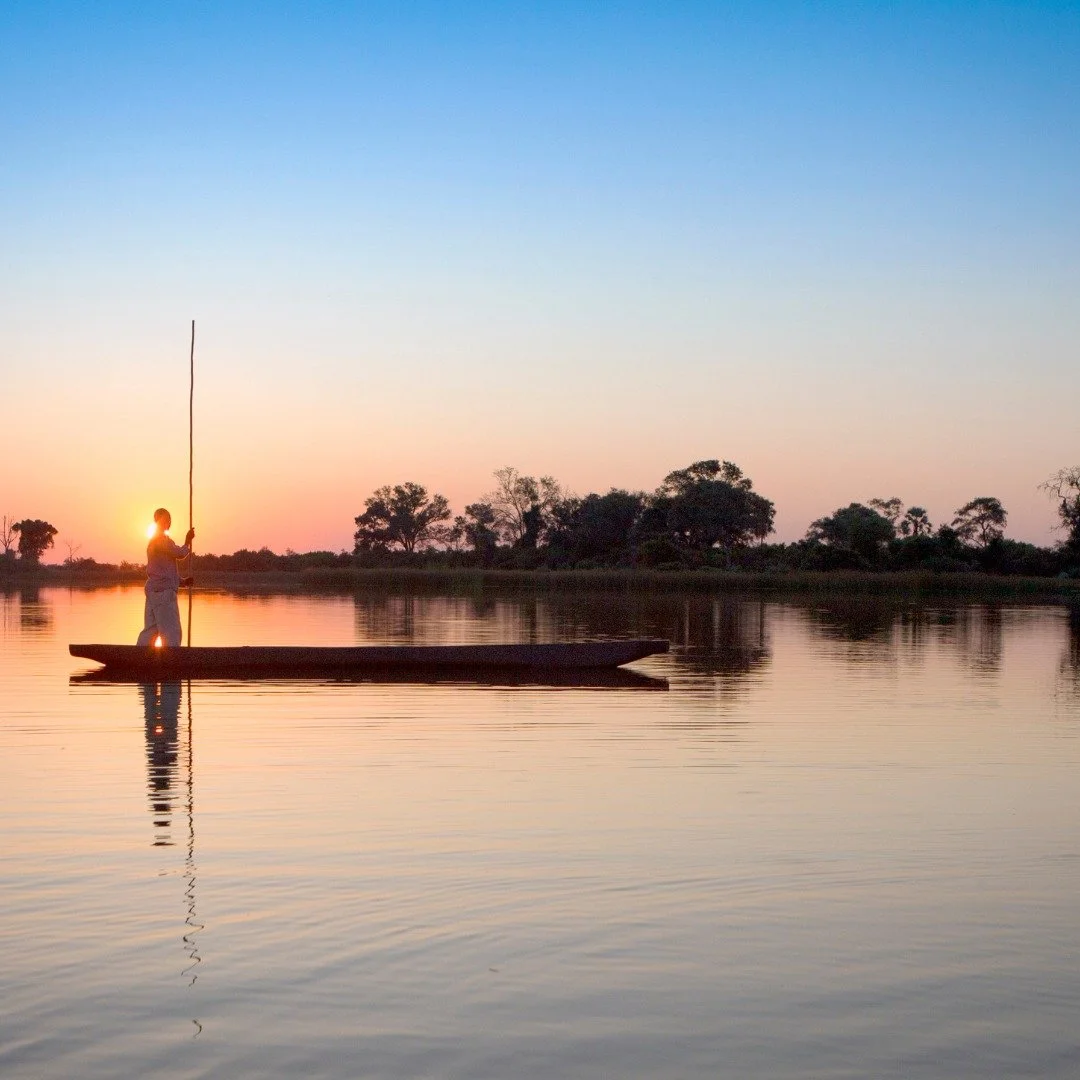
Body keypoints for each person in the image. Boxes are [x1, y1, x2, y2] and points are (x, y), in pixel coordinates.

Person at [136, 508, 195, 647]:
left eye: (168, 520)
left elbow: (166, 571)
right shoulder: (160, 541)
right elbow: (180, 553)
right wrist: (187, 541)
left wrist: (183, 581)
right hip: (163, 594)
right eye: (164, 520)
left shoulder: (157, 541)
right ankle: (171, 656)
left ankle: (140, 653)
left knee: (151, 630)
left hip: (154, 591)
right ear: (157, 522)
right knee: (172, 632)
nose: (167, 522)